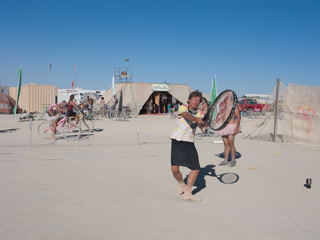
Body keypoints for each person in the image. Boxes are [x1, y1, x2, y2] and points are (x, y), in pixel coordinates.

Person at [170, 90, 206, 202]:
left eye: (198, 101)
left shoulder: (200, 114)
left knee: (196, 168)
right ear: (189, 100)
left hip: (189, 141)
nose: (196, 102)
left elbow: (203, 128)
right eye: (194, 99)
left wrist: (203, 124)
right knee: (174, 169)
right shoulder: (183, 107)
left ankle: (188, 192)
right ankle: (182, 184)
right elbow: (186, 115)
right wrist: (196, 120)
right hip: (176, 139)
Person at [216, 96, 241, 167]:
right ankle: (225, 160)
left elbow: (238, 115)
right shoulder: (222, 104)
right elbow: (220, 114)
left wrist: (237, 126)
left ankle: (233, 160)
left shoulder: (233, 104)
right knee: (226, 144)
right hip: (223, 126)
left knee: (231, 144)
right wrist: (215, 123)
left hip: (231, 126)